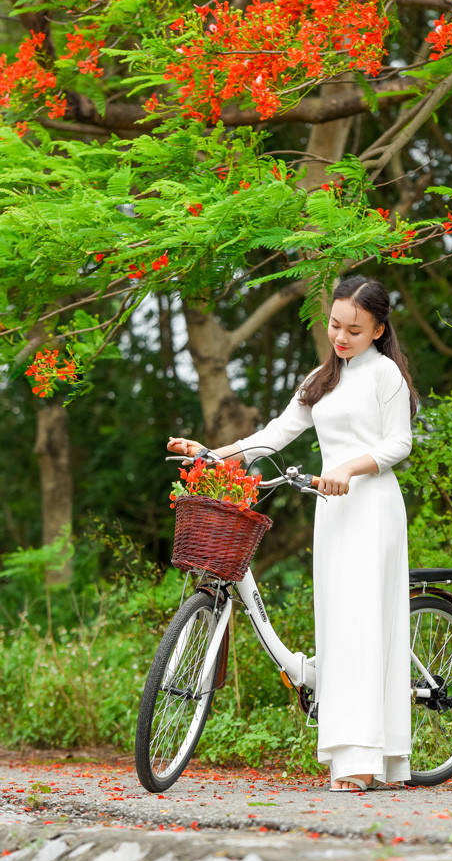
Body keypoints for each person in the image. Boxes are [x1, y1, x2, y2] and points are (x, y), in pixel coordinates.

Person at [168, 276, 418, 792]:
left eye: (354, 329)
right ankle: (353, 754)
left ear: (378, 329)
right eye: (335, 325)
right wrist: (212, 454)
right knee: (336, 626)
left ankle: (364, 760)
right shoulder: (322, 379)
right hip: (333, 511)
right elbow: (276, 434)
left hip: (371, 506)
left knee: (362, 627)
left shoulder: (385, 375)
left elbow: (400, 444)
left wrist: (350, 468)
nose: (341, 337)